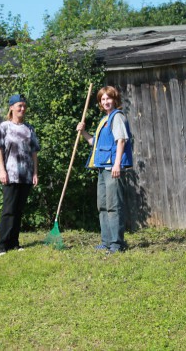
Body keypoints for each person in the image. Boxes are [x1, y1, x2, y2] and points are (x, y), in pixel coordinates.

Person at [77, 86, 133, 254]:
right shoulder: (105, 119)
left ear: (115, 99)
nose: (106, 101)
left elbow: (121, 141)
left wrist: (117, 164)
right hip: (102, 167)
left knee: (114, 206)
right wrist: (83, 132)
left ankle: (117, 243)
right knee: (102, 205)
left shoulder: (117, 117)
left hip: (113, 168)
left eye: (108, 98)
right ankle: (106, 241)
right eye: (103, 99)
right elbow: (95, 143)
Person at [0, 94, 40, 256]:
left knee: (19, 210)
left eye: (24, 106)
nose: (22, 109)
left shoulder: (29, 128)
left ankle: (14, 242)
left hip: (26, 175)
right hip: (10, 174)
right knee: (9, 210)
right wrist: (2, 170)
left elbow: (34, 152)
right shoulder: (4, 127)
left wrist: (35, 172)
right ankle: (2, 245)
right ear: (11, 107)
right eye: (19, 106)